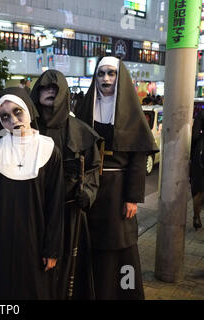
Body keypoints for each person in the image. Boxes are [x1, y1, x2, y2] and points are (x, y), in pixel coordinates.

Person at [75, 56, 158, 300]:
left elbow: (138, 158)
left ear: (119, 76)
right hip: (90, 188)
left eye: (111, 73)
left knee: (119, 245)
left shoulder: (132, 114)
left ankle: (122, 293)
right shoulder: (85, 108)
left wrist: (132, 198)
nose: (106, 79)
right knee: (90, 244)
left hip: (118, 191)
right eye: (101, 74)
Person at [0, 87, 64, 300]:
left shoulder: (50, 150)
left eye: (17, 112)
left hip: (35, 241)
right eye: (5, 116)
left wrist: (52, 248)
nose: (13, 120)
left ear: (29, 110)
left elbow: (55, 204)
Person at [30, 69, 102, 300]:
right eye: (44, 87)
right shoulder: (25, 126)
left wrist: (88, 194)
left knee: (67, 273)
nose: (50, 91)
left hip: (68, 214)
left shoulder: (81, 132)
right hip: (33, 213)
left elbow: (92, 170)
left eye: (56, 87)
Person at [190, 109, 204, 231]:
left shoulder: (201, 114)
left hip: (200, 155)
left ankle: (196, 216)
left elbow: (194, 136)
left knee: (198, 189)